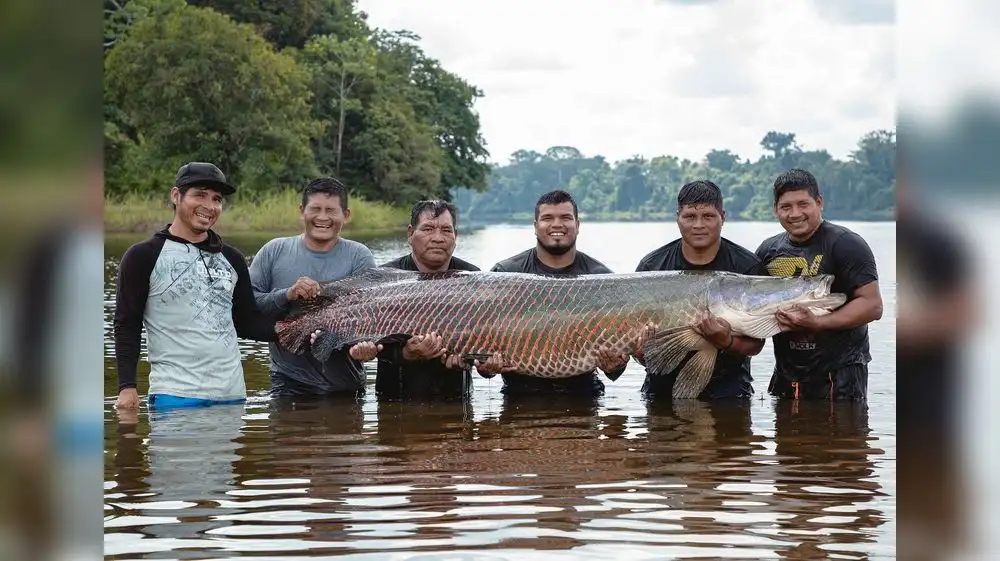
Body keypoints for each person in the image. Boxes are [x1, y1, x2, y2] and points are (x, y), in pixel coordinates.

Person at [113, 162, 278, 410]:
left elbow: (248, 323)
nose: (209, 206)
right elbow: (127, 324)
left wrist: (303, 329)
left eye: (216, 199)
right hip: (175, 396)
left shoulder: (232, 258)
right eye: (199, 194)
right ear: (176, 195)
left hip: (232, 397)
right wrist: (127, 387)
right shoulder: (143, 256)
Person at [479, 190, 628, 396]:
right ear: (535, 226)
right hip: (520, 394)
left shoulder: (601, 278)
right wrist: (486, 368)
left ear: (577, 225)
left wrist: (616, 366)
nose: (557, 224)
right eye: (548, 218)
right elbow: (481, 349)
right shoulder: (505, 274)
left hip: (582, 395)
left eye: (566, 218)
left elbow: (615, 372)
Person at [754, 168, 883, 401]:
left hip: (839, 374)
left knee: (842, 438)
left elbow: (872, 306)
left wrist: (818, 322)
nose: (795, 214)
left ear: (819, 202)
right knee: (785, 437)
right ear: (775, 210)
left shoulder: (846, 244)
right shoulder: (767, 251)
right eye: (786, 207)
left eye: (803, 204)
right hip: (787, 372)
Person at [634, 180, 767, 400]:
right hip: (663, 384)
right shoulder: (652, 267)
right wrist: (640, 353)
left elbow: (756, 343)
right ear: (678, 218)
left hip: (728, 385)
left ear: (722, 217)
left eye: (708, 216)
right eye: (690, 217)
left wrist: (727, 342)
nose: (699, 225)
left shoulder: (747, 268)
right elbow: (639, 348)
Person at [248, 177, 376, 398]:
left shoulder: (359, 256)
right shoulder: (273, 251)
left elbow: (371, 316)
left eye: (331, 210)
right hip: (288, 383)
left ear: (345, 215)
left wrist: (366, 347)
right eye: (315, 209)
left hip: (345, 386)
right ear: (302, 211)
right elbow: (248, 305)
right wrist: (287, 294)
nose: (323, 217)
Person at [357, 200, 481, 400]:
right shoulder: (384, 279)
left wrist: (471, 360)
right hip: (394, 399)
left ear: (456, 236)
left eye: (446, 230)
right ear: (410, 233)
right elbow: (371, 343)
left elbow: (485, 340)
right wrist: (406, 353)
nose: (438, 238)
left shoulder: (473, 278)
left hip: (457, 398)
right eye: (428, 229)